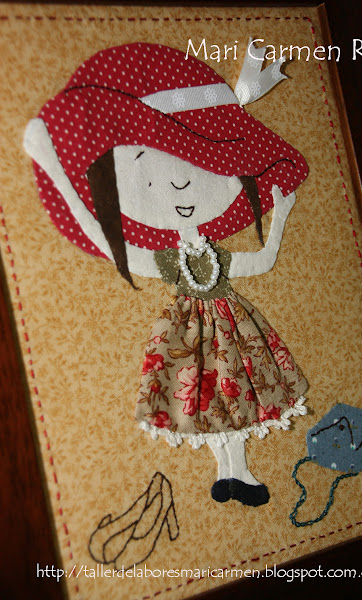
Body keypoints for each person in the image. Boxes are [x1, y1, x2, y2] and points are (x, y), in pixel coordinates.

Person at [24, 42, 309, 507]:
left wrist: (279, 217)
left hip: (235, 334)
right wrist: (56, 171)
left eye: (202, 165)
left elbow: (261, 261)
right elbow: (109, 244)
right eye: (150, 175)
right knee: (201, 400)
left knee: (239, 396)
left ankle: (238, 471)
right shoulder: (168, 260)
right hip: (187, 339)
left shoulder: (212, 253)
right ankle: (228, 470)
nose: (179, 182)